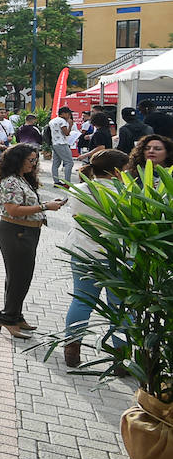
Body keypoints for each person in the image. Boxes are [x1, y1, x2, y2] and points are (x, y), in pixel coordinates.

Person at [61, 150, 129, 369]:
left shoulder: (79, 190)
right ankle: (120, 358)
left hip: (83, 252)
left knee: (81, 300)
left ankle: (72, 348)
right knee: (120, 308)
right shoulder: (127, 193)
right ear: (117, 171)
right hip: (117, 256)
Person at [0, 144, 67, 339]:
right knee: (18, 277)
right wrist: (45, 207)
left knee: (21, 277)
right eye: (30, 160)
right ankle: (8, 318)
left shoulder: (22, 179)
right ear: (18, 160)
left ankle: (15, 315)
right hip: (15, 230)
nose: (33, 164)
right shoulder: (10, 181)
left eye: (35, 160)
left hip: (27, 231)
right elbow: (13, 210)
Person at [47, 107, 74, 184]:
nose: (69, 115)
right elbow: (66, 133)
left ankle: (56, 181)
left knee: (56, 163)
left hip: (55, 143)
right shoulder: (62, 121)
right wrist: (70, 125)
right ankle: (67, 182)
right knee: (69, 162)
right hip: (62, 143)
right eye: (68, 113)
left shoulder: (52, 121)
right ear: (63, 114)